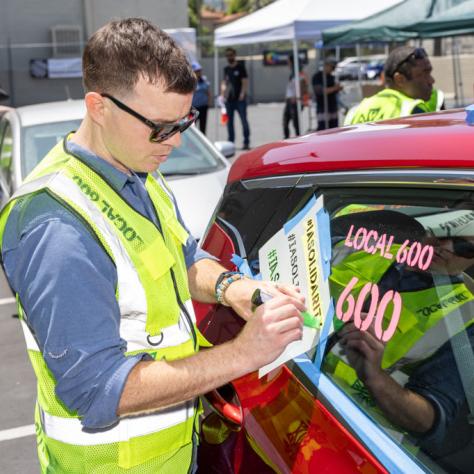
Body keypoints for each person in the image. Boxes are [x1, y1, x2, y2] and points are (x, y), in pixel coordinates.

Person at [0, 19, 306, 473]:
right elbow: (98, 389)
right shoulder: (55, 225)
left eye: (185, 121)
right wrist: (245, 353)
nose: (176, 141)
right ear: (98, 107)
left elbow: (179, 259)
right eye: (160, 127)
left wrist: (235, 289)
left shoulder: (135, 170)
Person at [325, 210, 474, 450]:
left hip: (350, 434)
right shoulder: (368, 243)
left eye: (464, 248)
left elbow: (430, 420)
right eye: (444, 231)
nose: (446, 247)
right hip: (284, 374)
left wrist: (375, 377)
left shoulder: (466, 317)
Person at [345, 46, 435, 125]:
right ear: (400, 79)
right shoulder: (413, 111)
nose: (432, 80)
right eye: (424, 74)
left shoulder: (356, 111)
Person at [220, 47, 251, 150]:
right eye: (227, 55)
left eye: (231, 55)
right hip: (229, 100)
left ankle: (246, 141)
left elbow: (245, 82)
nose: (229, 57)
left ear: (234, 55)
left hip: (240, 100)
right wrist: (222, 93)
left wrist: (242, 93)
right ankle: (231, 143)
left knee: (243, 121)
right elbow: (224, 82)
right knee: (230, 123)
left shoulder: (240, 67)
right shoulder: (226, 69)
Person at [312, 57, 343, 130]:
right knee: (323, 130)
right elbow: (320, 91)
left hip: (333, 108)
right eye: (331, 67)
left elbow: (334, 90)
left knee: (334, 130)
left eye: (334, 67)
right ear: (326, 65)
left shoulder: (332, 77)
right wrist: (335, 88)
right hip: (323, 109)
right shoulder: (317, 77)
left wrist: (338, 88)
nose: (333, 69)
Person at [283, 55, 309, 139]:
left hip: (295, 101)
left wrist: (298, 96)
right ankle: (286, 139)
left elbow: (304, 86)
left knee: (295, 122)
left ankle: (298, 138)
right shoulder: (292, 74)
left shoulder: (299, 73)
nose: (288, 64)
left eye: (289, 62)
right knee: (285, 121)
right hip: (290, 101)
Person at [191, 61, 211, 135]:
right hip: (193, 108)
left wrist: (208, 103)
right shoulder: (190, 81)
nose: (199, 72)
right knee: (193, 127)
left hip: (203, 107)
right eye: (197, 71)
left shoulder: (204, 80)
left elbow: (208, 92)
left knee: (203, 126)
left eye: (199, 70)